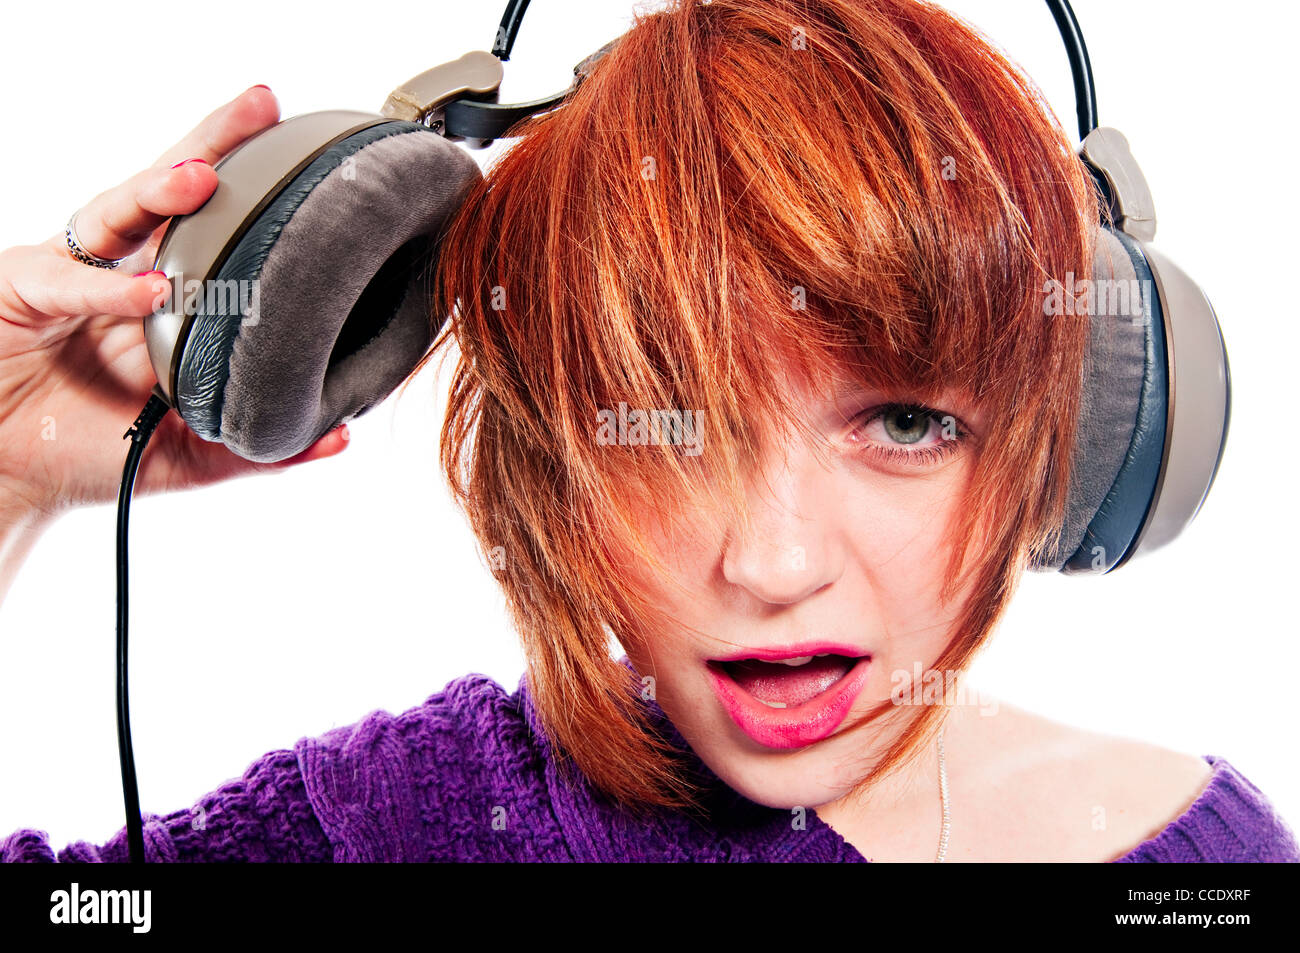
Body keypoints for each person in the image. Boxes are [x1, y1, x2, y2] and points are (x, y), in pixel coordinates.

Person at [1, 0, 1296, 863]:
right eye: (669, 426)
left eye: (903, 419)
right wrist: (8, 468)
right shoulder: (416, 818)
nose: (776, 565)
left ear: (1063, 443)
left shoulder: (1207, 857)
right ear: (552, 464)